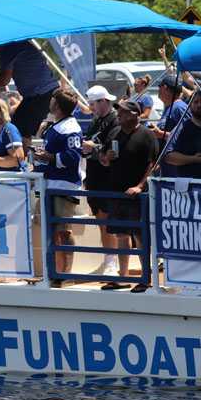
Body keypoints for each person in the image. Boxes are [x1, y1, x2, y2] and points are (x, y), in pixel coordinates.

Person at [100, 100, 158, 292]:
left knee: (140, 236)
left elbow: (153, 164)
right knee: (121, 235)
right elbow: (102, 159)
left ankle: (145, 278)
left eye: (124, 112)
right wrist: (106, 158)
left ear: (135, 114)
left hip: (137, 196)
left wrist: (140, 186)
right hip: (117, 192)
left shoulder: (147, 135)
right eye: (119, 112)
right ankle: (122, 277)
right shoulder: (114, 133)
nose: (119, 115)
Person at [31, 88, 83, 285]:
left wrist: (49, 157)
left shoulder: (70, 127)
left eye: (53, 99)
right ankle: (53, 273)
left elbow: (73, 156)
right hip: (49, 184)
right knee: (50, 231)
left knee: (63, 231)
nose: (50, 101)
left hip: (63, 187)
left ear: (58, 105)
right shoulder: (58, 125)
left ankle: (64, 275)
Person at [0, 41, 60, 149]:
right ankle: (22, 154)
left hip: (39, 95)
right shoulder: (24, 44)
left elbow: (3, 80)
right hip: (45, 92)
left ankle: (19, 157)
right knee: (19, 127)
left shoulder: (8, 50)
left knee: (18, 131)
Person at [79, 85, 120, 277]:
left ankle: (112, 262)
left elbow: (113, 148)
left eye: (93, 104)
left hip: (107, 176)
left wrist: (93, 147)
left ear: (103, 101)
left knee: (108, 221)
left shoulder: (115, 120)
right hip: (94, 175)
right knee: (100, 219)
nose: (90, 107)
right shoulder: (96, 121)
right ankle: (109, 259)